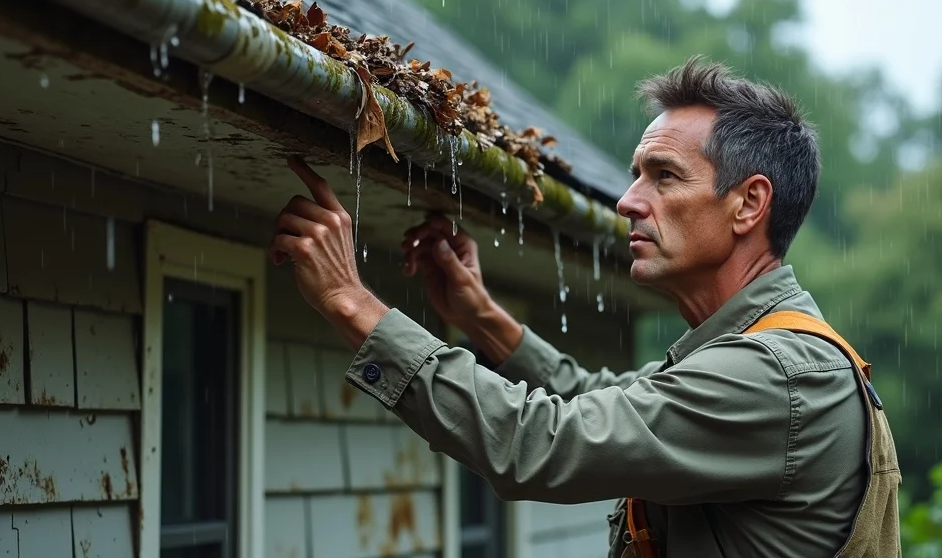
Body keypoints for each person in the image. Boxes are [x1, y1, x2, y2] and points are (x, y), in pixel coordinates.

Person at [267, 56, 901, 558]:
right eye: (635, 173)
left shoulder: (776, 378)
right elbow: (590, 398)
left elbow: (540, 442)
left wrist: (350, 301)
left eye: (664, 175)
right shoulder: (748, 358)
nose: (627, 200)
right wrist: (483, 314)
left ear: (748, 204)